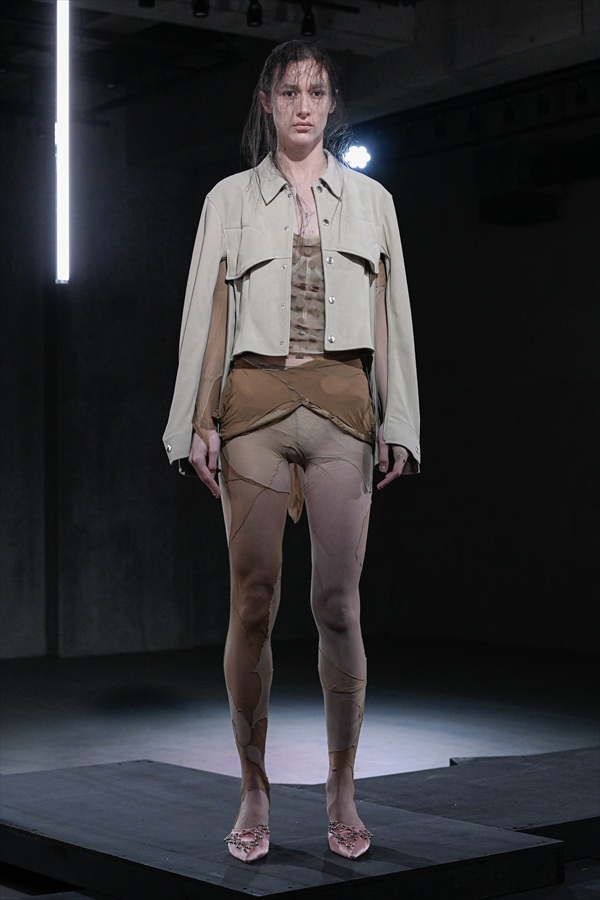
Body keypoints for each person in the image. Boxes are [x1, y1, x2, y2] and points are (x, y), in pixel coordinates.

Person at [163, 39, 420, 863]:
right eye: (288, 91)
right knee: (253, 602)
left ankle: (341, 788)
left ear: (332, 102)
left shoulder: (372, 201)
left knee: (338, 605)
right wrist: (193, 420)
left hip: (344, 406)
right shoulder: (229, 199)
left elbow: (392, 318)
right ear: (267, 103)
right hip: (253, 407)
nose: (303, 105)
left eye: (316, 91)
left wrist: (402, 420)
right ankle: (253, 787)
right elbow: (205, 312)